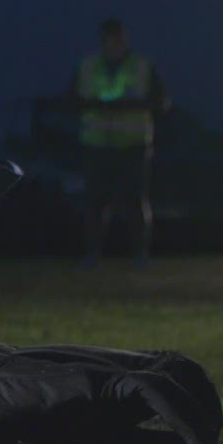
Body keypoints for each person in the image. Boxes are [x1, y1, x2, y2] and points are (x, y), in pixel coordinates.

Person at [71, 18, 170, 267]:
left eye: (120, 38)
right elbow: (71, 101)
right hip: (96, 145)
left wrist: (129, 106)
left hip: (133, 145)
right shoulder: (87, 67)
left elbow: (162, 101)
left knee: (135, 202)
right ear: (103, 40)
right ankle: (91, 255)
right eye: (112, 38)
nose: (117, 43)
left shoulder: (142, 66)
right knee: (95, 203)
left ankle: (140, 255)